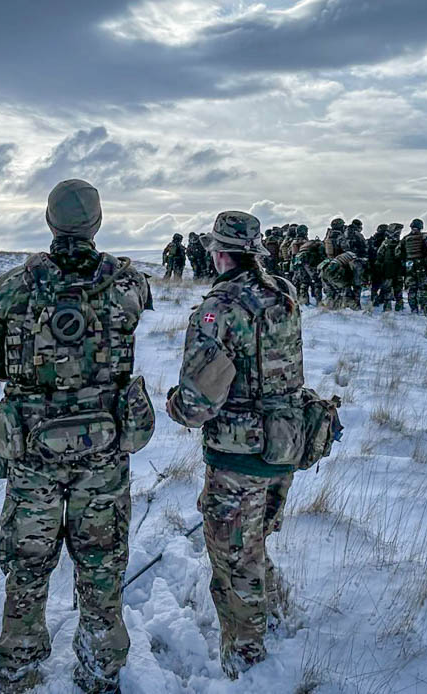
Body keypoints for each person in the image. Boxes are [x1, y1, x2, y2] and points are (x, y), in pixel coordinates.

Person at [0, 179, 154, 694]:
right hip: (104, 458)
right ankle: (100, 674)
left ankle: (19, 674)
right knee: (101, 565)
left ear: (50, 222)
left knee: (27, 569)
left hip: (34, 458)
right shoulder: (128, 284)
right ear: (97, 224)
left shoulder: (12, 287)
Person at [165, 211, 304, 679]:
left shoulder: (217, 307)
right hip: (285, 446)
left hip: (237, 454)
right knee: (256, 541)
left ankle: (247, 661)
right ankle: (276, 615)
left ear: (219, 251)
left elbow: (197, 403)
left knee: (231, 560)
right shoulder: (283, 293)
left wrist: (174, 407)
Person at [398, 220, 427, 314]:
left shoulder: (405, 238)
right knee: (424, 288)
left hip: (409, 266)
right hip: (422, 266)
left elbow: (398, 252)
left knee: (412, 289)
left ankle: (413, 309)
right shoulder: (425, 237)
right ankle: (425, 310)